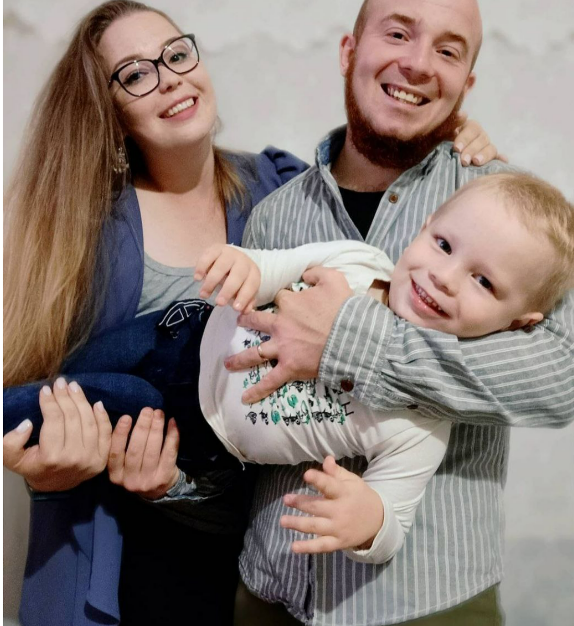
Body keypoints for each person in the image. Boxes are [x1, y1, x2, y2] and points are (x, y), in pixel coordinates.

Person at [2, 0, 496, 626]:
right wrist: (48, 469)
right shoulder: (84, 227)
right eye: (136, 73)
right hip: (122, 552)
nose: (170, 78)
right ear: (110, 111)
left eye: (177, 54)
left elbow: (377, 208)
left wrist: (450, 136)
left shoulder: (278, 189)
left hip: (242, 552)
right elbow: (46, 390)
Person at [221, 0, 574, 625]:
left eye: (448, 50)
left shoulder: (511, 214)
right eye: (398, 34)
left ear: (465, 85)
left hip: (428, 600)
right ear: (349, 51)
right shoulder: (275, 215)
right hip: (269, 591)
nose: (417, 63)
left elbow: (562, 376)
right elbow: (237, 382)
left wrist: (348, 340)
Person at [7, 172, 572, 571]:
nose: (445, 277)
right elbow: (274, 266)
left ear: (518, 324)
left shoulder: (422, 424)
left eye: (483, 281)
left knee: (94, 400)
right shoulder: (360, 262)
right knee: (71, 370)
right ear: (424, 228)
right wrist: (243, 265)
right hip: (182, 331)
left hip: (197, 431)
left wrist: (367, 520)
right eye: (443, 244)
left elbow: (391, 521)